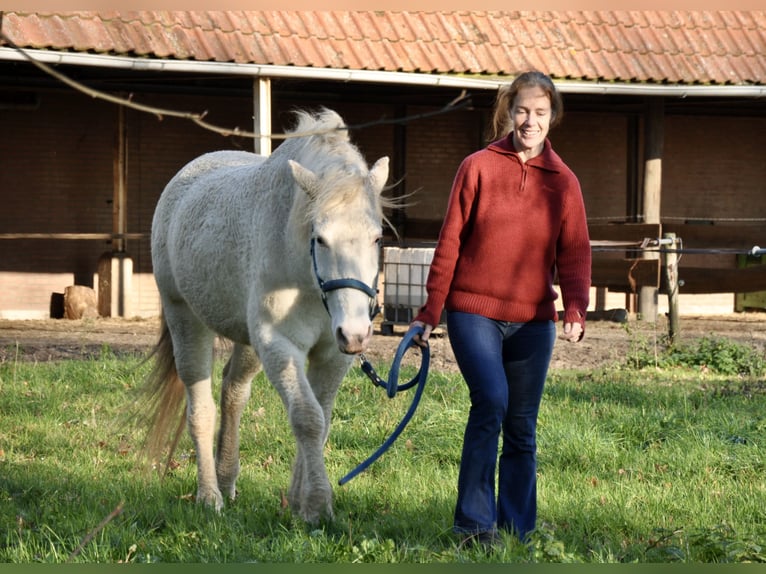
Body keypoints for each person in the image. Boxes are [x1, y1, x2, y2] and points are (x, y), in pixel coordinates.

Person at [410, 70, 592, 546]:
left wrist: (575, 306)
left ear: (553, 116)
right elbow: (450, 241)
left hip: (534, 320)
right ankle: (473, 526)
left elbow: (574, 251)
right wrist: (430, 312)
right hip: (474, 312)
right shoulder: (478, 167)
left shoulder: (564, 183)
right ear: (508, 113)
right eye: (522, 111)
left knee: (521, 427)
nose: (530, 121)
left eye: (540, 112)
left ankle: (517, 527)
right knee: (491, 400)